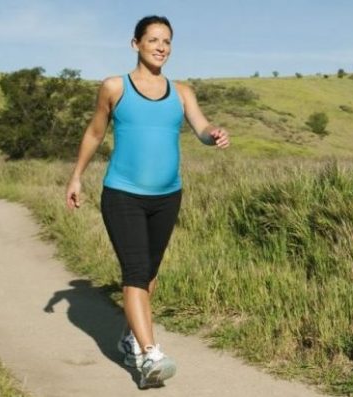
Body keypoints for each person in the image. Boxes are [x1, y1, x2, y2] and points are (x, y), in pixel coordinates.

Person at [64, 15, 229, 389]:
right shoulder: (114, 87)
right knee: (136, 272)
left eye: (167, 41)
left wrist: (213, 133)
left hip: (167, 196)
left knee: (149, 275)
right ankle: (150, 354)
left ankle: (129, 338)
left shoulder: (182, 91)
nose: (161, 46)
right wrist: (76, 176)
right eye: (153, 39)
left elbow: (201, 127)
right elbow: (94, 133)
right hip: (123, 194)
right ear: (135, 43)